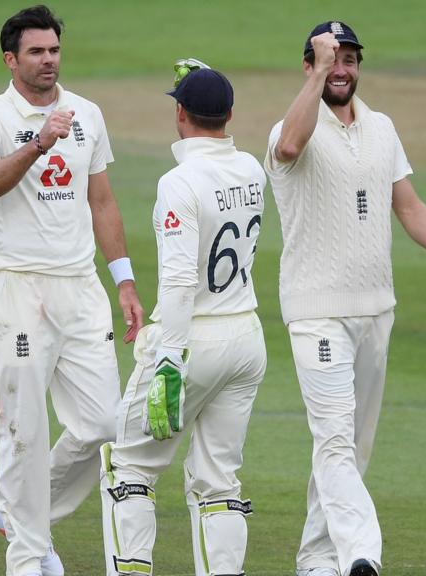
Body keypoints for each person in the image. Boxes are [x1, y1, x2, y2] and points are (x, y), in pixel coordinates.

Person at [265, 21, 426, 576]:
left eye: (349, 59)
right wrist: (315, 75)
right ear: (310, 65)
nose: (341, 69)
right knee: (335, 438)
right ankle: (363, 553)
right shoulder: (291, 128)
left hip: (375, 309)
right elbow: (290, 146)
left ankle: (316, 561)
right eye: (329, 59)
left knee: (350, 449)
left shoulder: (381, 127)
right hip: (317, 311)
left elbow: (406, 204)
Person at [0, 5, 144, 576]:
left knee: (104, 424)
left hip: (80, 287)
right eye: (36, 52)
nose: (49, 61)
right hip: (17, 286)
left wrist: (125, 280)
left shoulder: (86, 113)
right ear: (10, 59)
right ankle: (27, 555)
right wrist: (38, 142)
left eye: (55, 50)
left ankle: (20, 516)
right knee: (23, 423)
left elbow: (102, 201)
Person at [99, 64, 267, 576]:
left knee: (129, 467)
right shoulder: (252, 170)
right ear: (230, 114)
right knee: (219, 481)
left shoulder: (178, 182)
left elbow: (176, 283)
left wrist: (167, 359)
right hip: (246, 337)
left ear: (179, 113)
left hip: (193, 339)